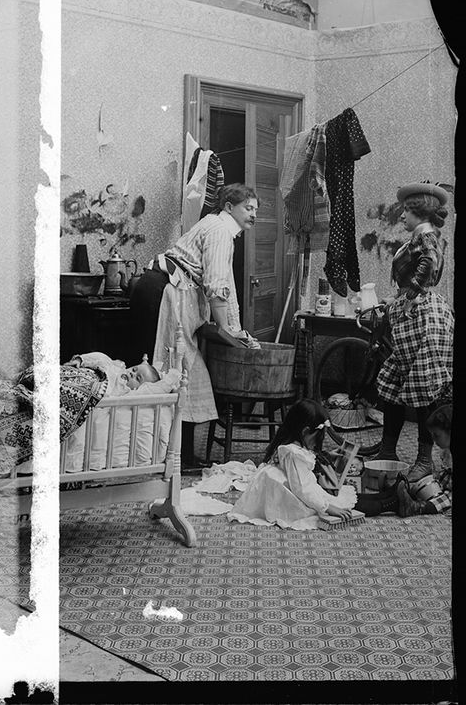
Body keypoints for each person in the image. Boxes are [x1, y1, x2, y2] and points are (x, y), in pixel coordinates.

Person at [129, 182, 260, 468]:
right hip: (165, 292)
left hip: (159, 288)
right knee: (177, 370)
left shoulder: (216, 227)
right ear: (229, 207)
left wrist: (231, 326)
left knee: (174, 370)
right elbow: (216, 285)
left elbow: (221, 284)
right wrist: (227, 329)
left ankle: (170, 453)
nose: (254, 215)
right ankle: (171, 455)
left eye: (255, 209)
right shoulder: (219, 231)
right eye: (248, 208)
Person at [373, 182, 454, 482]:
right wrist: (396, 299)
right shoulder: (420, 236)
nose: (402, 216)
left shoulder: (427, 236)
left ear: (417, 212)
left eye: (406, 211)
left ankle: (424, 459)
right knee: (394, 386)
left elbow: (429, 265)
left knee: (423, 391)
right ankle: (387, 450)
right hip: (412, 315)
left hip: (423, 319)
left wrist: (410, 296)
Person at [228, 399, 356, 529]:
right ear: (305, 432)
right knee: (317, 506)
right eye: (316, 440)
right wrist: (327, 507)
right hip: (284, 490)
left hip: (283, 482)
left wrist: (326, 456)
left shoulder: (291, 441)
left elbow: (307, 462)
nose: (316, 444)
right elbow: (302, 488)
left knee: (327, 497)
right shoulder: (294, 454)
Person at [358, 398, 453, 518]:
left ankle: (417, 508)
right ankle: (394, 493)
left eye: (437, 435)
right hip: (446, 482)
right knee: (425, 484)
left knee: (447, 498)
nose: (433, 439)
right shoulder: (447, 449)